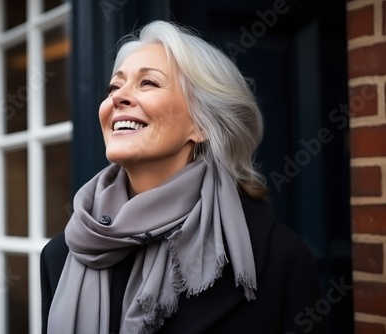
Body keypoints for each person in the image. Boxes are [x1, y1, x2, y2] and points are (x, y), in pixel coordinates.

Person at [41, 20, 327, 334]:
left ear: (201, 124)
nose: (117, 98)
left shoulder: (279, 260)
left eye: (148, 82)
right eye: (114, 86)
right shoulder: (61, 256)